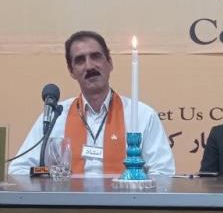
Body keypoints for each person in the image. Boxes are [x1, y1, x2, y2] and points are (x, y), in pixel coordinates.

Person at [9, 30, 175, 177]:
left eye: (95, 56)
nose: (89, 66)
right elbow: (19, 170)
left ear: (109, 63)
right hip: (68, 202)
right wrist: (49, 177)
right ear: (71, 71)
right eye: (80, 60)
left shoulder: (141, 115)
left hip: (125, 201)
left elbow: (163, 172)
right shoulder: (56, 117)